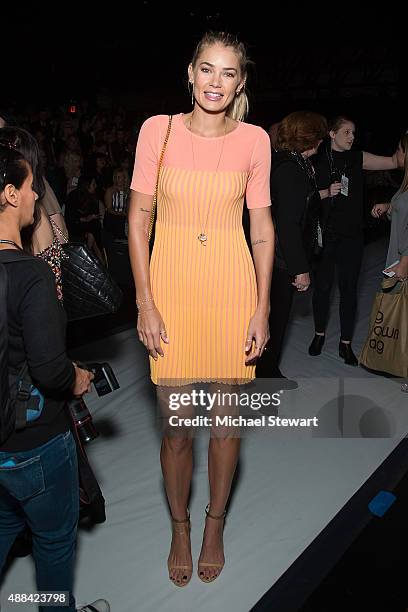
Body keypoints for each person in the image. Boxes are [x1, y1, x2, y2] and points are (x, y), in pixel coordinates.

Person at [128, 31, 274, 586]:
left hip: (232, 290)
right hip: (171, 294)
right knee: (176, 430)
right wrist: (145, 301)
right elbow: (138, 222)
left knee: (225, 427)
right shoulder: (156, 131)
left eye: (228, 73)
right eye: (207, 70)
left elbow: (261, 226)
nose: (215, 82)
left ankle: (214, 523)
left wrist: (261, 306)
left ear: (240, 81)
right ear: (190, 72)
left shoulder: (255, 140)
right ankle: (180, 525)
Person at [0, 140, 109, 612]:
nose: (35, 198)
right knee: (54, 543)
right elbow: (49, 369)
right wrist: (77, 379)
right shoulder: (30, 276)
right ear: (10, 194)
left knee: (5, 524)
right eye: (30, 188)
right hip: (35, 442)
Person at [308, 116, 403, 365]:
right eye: (347, 132)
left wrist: (403, 146)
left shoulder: (357, 158)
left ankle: (345, 343)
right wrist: (326, 192)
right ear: (332, 133)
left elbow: (394, 161)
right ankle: (319, 334)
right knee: (323, 289)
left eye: (354, 133)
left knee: (349, 290)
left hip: (352, 236)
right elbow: (305, 196)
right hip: (326, 236)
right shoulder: (318, 160)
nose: (352, 137)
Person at [256, 111, 327, 384]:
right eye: (318, 136)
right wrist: (300, 269)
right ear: (308, 137)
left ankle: (263, 370)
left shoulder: (287, 162)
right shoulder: (290, 169)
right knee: (275, 319)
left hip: (274, 256)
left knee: (270, 317)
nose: (321, 142)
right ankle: (266, 374)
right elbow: (287, 224)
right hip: (280, 260)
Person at [371, 133, 408, 392]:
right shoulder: (405, 184)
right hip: (398, 258)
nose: (397, 153)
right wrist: (389, 207)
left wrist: (404, 262)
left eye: (400, 149)